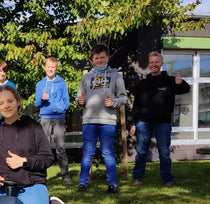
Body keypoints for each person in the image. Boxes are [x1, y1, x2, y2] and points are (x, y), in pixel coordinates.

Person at [130, 52, 190, 187]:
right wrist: (133, 122)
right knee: (141, 152)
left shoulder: (170, 80)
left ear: (162, 63)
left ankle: (167, 180)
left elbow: (186, 89)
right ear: (148, 64)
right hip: (143, 122)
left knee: (164, 152)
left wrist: (180, 84)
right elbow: (136, 105)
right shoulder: (143, 84)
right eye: (151, 62)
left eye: (157, 62)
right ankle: (137, 178)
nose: (154, 64)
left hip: (163, 122)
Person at [75, 45, 127, 194]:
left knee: (108, 153)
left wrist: (114, 102)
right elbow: (79, 97)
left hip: (107, 121)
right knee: (88, 153)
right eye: (96, 58)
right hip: (89, 121)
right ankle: (82, 184)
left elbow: (124, 98)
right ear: (92, 60)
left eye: (102, 57)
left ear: (107, 58)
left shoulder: (115, 75)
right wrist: (80, 101)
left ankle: (112, 185)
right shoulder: (86, 77)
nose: (99, 60)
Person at [35, 57, 72, 184]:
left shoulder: (62, 83)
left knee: (60, 146)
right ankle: (41, 175)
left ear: (56, 68)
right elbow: (37, 104)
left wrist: (61, 108)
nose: (50, 69)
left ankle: (65, 174)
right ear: (44, 68)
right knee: (43, 147)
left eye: (53, 67)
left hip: (59, 118)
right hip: (45, 118)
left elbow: (67, 101)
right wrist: (42, 98)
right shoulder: (40, 84)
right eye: (48, 67)